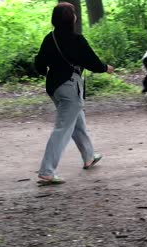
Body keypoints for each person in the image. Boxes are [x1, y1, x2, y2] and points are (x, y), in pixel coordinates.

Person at [34, 2, 114, 185]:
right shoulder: (77, 40)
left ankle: (89, 156)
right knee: (63, 128)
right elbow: (92, 62)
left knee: (77, 123)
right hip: (70, 88)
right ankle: (47, 170)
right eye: (74, 14)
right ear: (72, 19)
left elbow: (39, 65)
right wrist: (106, 68)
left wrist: (51, 70)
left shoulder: (50, 38)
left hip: (55, 88)